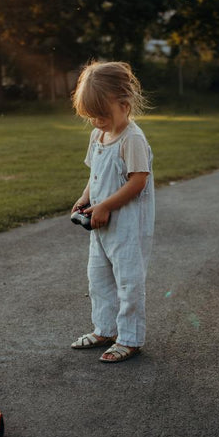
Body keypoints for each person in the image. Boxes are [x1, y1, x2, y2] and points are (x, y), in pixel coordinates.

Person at [70, 61, 155, 363]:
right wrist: (85, 198)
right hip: (101, 226)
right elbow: (96, 175)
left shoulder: (132, 139)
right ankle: (105, 328)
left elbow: (138, 182)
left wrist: (106, 205)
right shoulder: (98, 136)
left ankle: (130, 338)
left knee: (128, 282)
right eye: (91, 116)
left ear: (125, 103)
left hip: (128, 228)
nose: (96, 122)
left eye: (102, 115)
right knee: (99, 278)